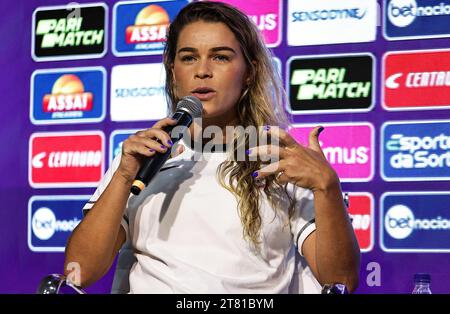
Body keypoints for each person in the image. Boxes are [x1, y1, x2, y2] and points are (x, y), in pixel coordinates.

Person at [64, 1, 360, 293]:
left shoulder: (282, 159)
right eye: (189, 58)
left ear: (249, 72)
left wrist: (327, 187)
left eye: (220, 57)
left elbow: (340, 281)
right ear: (172, 70)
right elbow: (79, 272)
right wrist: (124, 177)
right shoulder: (142, 157)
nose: (202, 71)